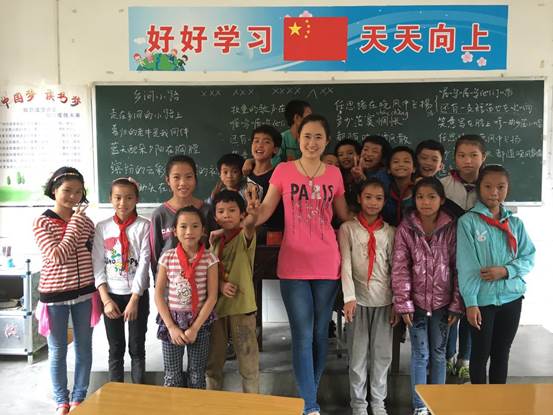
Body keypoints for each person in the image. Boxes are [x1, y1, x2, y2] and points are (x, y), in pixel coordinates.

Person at [247, 114, 350, 415]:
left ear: (326, 141)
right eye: (307, 136)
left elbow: (344, 215)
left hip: (327, 262)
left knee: (319, 335)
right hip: (293, 263)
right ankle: (310, 406)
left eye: (318, 137)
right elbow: (265, 211)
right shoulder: (283, 170)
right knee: (302, 335)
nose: (312, 142)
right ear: (297, 139)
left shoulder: (334, 174)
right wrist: (250, 215)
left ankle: (309, 398)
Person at [456, 165, 535, 384]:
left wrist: (506, 271)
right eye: (488, 186)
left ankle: (498, 400)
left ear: (508, 188)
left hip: (512, 297)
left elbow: (529, 257)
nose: (494, 192)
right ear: (479, 188)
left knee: (502, 353)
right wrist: (471, 303)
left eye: (501, 187)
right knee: (480, 354)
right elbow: (467, 266)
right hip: (482, 300)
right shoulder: (468, 222)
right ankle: (480, 401)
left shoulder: (515, 224)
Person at [391, 177, 462, 415]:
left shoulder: (451, 228)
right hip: (417, 306)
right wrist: (404, 303)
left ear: (442, 200)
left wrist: (456, 304)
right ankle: (420, 406)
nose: (425, 202)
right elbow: (400, 267)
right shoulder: (406, 229)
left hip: (443, 305)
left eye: (432, 197)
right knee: (420, 355)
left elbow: (459, 267)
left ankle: (437, 404)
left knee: (439, 354)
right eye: (420, 197)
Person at [33, 167, 99, 415]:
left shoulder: (86, 222)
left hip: (85, 293)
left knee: (84, 348)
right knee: (58, 350)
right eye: (67, 190)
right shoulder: (42, 222)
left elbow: (92, 251)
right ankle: (61, 400)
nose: (73, 196)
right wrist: (74, 224)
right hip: (54, 296)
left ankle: (79, 398)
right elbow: (57, 256)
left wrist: (78, 223)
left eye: (78, 192)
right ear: (54, 191)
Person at [338, 178, 398, 415]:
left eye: (379, 198)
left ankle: (378, 402)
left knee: (382, 356)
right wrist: (349, 297)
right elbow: (345, 264)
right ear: (359, 199)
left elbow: (396, 269)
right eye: (368, 197)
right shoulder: (348, 229)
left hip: (384, 302)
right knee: (358, 357)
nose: (373, 202)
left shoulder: (390, 232)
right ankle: (359, 404)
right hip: (358, 301)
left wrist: (396, 301)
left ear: (384, 202)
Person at [92, 177, 150, 384]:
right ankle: (115, 391)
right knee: (115, 348)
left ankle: (138, 391)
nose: (122, 203)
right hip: (111, 296)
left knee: (137, 346)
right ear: (110, 198)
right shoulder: (102, 227)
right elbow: (97, 263)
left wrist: (135, 299)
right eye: (117, 197)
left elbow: (144, 264)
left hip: (137, 296)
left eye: (128, 198)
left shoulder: (144, 226)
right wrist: (106, 300)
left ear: (137, 199)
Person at [154, 206, 219, 388]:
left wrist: (195, 328)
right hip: (172, 321)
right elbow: (158, 295)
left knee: (197, 376)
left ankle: (195, 404)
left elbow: (212, 297)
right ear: (175, 231)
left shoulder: (209, 259)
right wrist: (171, 327)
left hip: (200, 322)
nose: (189, 231)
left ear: (203, 230)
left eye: (195, 226)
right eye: (183, 226)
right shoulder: (167, 258)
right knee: (172, 376)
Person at [442, 134, 487, 380]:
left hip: (478, 260)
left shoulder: (490, 185)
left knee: (472, 307)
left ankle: (465, 358)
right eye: (462, 155)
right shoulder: (443, 185)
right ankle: (448, 355)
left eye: (473, 155)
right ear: (454, 158)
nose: (467, 160)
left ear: (483, 157)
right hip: (448, 257)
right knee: (451, 307)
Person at [206, 190, 259, 393]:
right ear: (215, 216)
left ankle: (252, 404)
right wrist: (220, 285)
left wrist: (252, 214)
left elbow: (250, 225)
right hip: (216, 309)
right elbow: (208, 272)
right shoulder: (214, 241)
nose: (226, 215)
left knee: (248, 361)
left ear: (241, 214)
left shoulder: (244, 237)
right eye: (221, 211)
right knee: (214, 362)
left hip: (241, 308)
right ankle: (212, 402)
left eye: (232, 210)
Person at [150, 155, 214, 281]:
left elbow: (215, 248)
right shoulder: (160, 214)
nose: (183, 183)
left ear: (195, 179)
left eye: (188, 177)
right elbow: (155, 255)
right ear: (168, 180)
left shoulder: (207, 211)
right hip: (170, 285)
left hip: (202, 283)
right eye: (176, 177)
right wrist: (158, 283)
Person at [246, 125, 284, 241]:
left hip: (271, 235)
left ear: (275, 149)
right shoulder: (243, 172)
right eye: (256, 141)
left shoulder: (278, 175)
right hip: (245, 233)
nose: (260, 145)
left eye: (266, 142)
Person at [382, 146, 416, 226]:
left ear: (414, 168)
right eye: (396, 162)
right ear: (389, 169)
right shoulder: (385, 191)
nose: (401, 164)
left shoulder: (419, 190)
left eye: (406, 161)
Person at [334, 138, 362, 211]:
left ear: (358, 156)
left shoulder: (366, 173)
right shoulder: (335, 176)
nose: (345, 157)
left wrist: (361, 178)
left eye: (350, 153)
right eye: (340, 155)